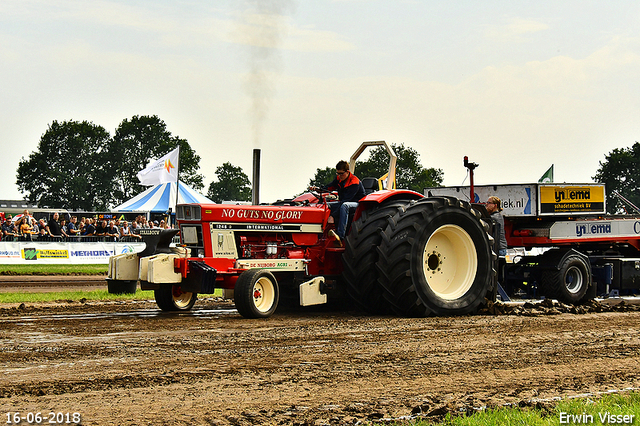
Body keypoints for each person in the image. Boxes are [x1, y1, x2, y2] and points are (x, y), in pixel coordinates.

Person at [311, 160, 366, 245]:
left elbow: (347, 200)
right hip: (345, 200)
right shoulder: (339, 179)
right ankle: (320, 234)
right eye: (338, 173)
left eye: (341, 173)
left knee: (345, 206)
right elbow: (330, 187)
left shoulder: (354, 182)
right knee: (326, 205)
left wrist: (333, 215)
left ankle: (340, 236)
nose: (339, 176)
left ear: (347, 172)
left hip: (356, 203)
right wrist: (319, 189)